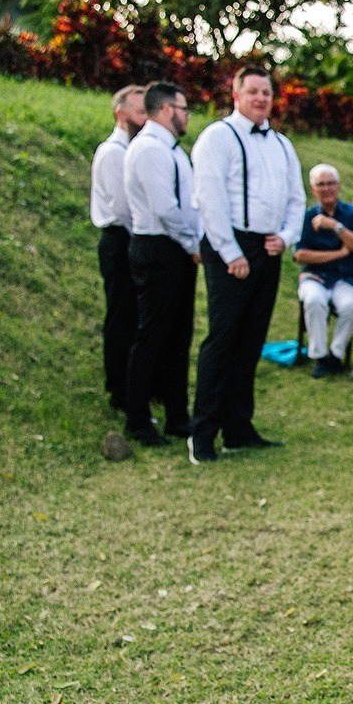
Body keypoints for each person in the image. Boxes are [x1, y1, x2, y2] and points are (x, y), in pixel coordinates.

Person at [189, 65, 303, 463]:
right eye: (252, 91)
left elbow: (296, 199)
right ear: (235, 95)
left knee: (251, 340)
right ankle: (201, 434)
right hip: (230, 246)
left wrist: (286, 236)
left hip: (268, 248)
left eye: (266, 93)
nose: (261, 99)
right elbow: (209, 197)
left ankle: (238, 427)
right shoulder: (217, 137)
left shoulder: (283, 145)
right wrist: (230, 251)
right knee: (222, 339)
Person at [121, 82, 201, 446]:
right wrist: (192, 244)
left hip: (175, 250)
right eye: (184, 109)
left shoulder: (172, 150)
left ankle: (177, 416)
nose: (187, 116)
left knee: (178, 337)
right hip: (159, 249)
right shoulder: (151, 150)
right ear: (168, 110)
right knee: (152, 335)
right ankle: (137, 420)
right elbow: (165, 209)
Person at [91, 85, 146, 413]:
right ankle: (118, 387)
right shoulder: (113, 152)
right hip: (119, 238)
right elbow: (124, 208)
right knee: (122, 313)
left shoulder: (133, 149)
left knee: (136, 315)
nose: (143, 118)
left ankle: (135, 381)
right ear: (120, 114)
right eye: (138, 112)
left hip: (131, 238)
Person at [295, 163, 353, 376]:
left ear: (338, 186)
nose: (327, 188)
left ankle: (335, 355)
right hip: (315, 276)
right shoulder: (308, 216)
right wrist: (340, 253)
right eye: (321, 184)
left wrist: (335, 226)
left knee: (351, 306)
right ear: (313, 188)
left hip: (348, 277)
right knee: (314, 301)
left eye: (331, 183)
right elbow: (300, 255)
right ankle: (319, 355)